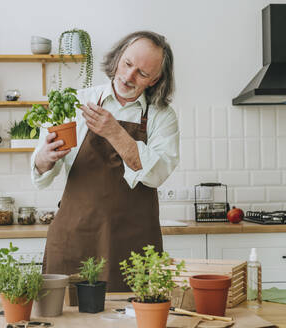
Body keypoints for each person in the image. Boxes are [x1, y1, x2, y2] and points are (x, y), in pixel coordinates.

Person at [30, 30, 179, 292]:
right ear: (119, 57)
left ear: (156, 79)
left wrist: (114, 132)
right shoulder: (77, 101)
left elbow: (156, 174)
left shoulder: (162, 117)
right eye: (128, 63)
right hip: (74, 237)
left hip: (133, 244)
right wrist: (44, 159)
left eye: (142, 73)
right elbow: (41, 172)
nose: (129, 76)